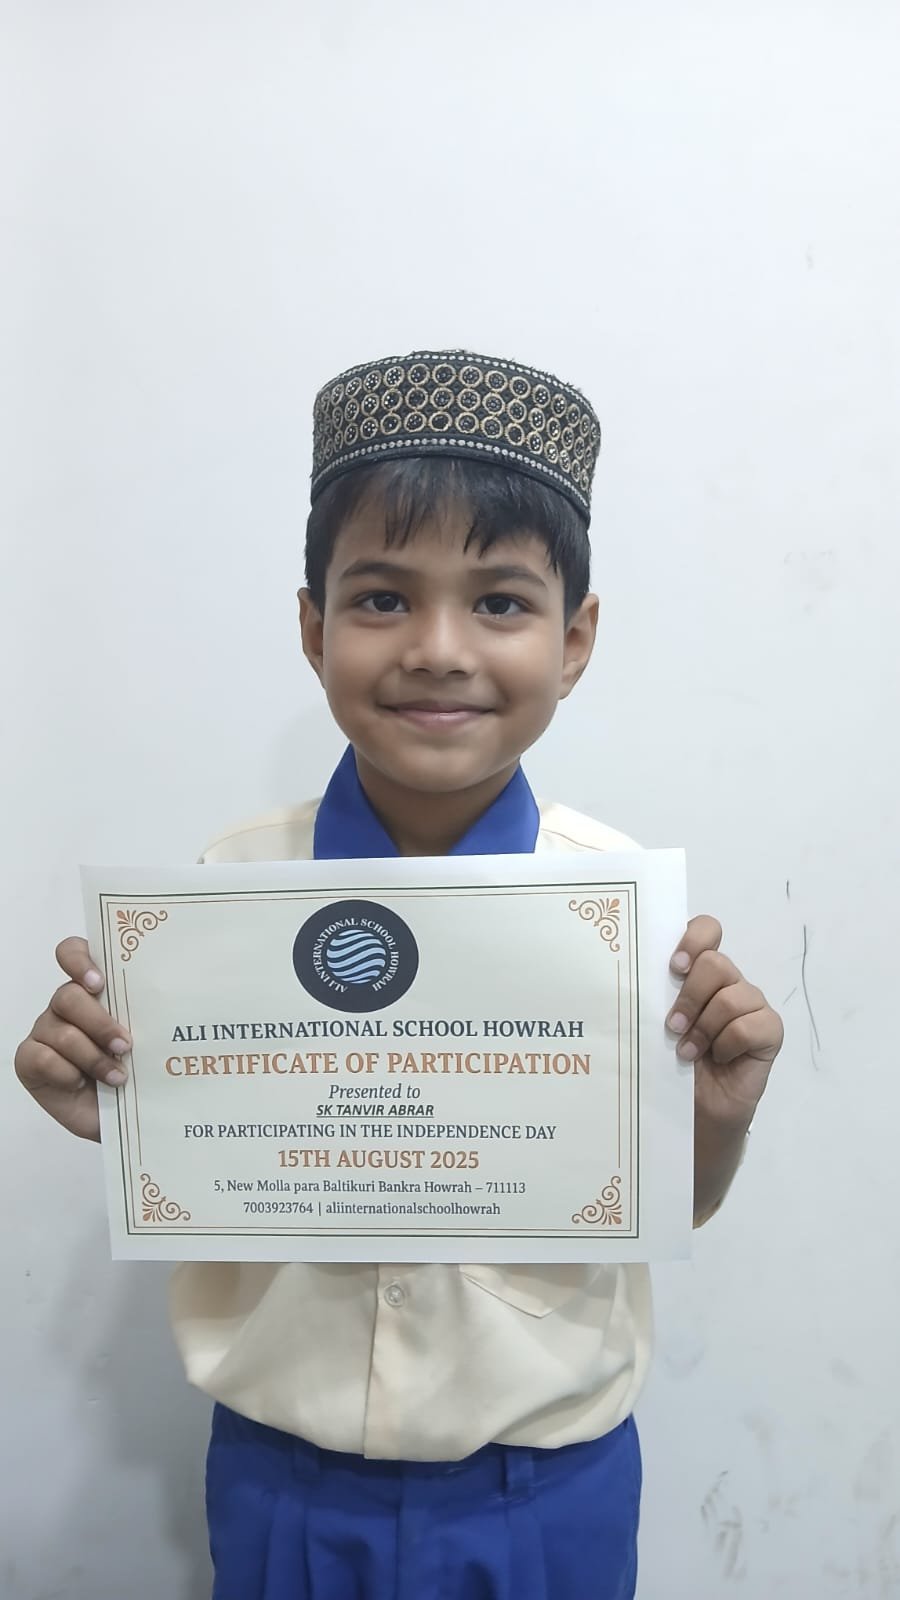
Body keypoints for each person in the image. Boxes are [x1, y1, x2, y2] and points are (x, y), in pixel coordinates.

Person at [14, 349, 784, 1600]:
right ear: (313, 627)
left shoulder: (618, 911)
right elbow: (211, 1160)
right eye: (381, 598)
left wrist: (716, 1118)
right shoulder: (224, 890)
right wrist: (119, 1110)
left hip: (544, 1492)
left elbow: (657, 1202)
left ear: (574, 640)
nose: (438, 648)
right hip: (284, 1483)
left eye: (500, 602)